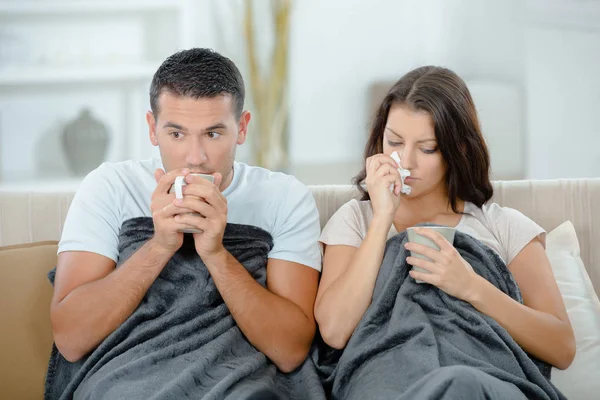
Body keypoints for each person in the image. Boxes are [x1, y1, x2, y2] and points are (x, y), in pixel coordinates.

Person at [48, 48, 322, 394]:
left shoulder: (284, 197)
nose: (195, 158)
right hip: (128, 380)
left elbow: (291, 351)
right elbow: (71, 339)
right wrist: (159, 246)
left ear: (242, 127)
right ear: (152, 128)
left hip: (238, 383)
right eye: (176, 134)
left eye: (213, 134)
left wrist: (216, 254)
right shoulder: (110, 187)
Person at [314, 66, 575, 371]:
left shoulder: (503, 226)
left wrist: (471, 287)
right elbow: (334, 331)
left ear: (458, 149)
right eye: (395, 142)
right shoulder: (356, 220)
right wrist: (383, 216)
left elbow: (562, 347)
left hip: (478, 378)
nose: (406, 161)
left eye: (427, 148)